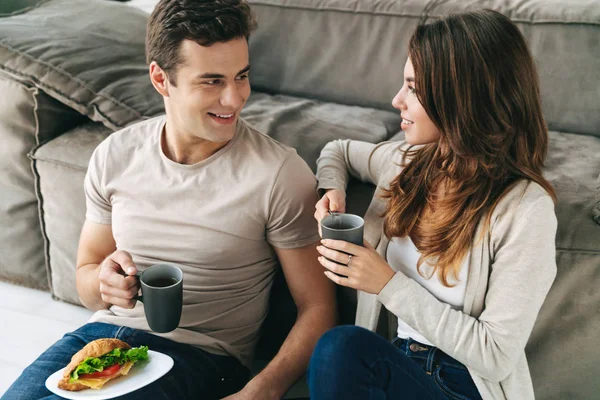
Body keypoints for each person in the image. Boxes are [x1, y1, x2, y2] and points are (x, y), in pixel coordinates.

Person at [3, 0, 336, 399]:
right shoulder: (115, 155)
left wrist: (263, 389)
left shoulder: (279, 173)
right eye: (212, 81)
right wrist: (105, 284)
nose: (234, 99)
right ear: (161, 80)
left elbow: (318, 308)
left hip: (201, 357)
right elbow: (86, 278)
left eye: (241, 76)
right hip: (97, 339)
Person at [308, 9, 557, 400]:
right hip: (400, 365)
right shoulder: (405, 163)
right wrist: (331, 189)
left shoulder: (526, 210)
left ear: (462, 97)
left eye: (414, 87)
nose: (397, 100)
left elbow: (494, 355)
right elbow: (337, 151)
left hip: (466, 386)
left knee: (341, 347)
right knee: (340, 350)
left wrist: (388, 285)